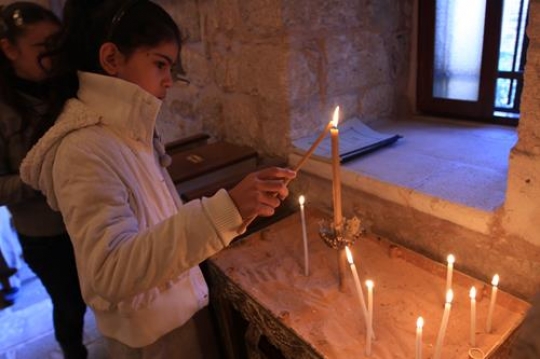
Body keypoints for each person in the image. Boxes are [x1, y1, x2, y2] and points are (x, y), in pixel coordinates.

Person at [19, 0, 296, 357]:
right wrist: (223, 211)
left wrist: (239, 211)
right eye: (160, 64)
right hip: (152, 338)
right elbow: (111, 270)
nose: (169, 80)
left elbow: (159, 227)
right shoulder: (84, 149)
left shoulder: (129, 131)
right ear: (112, 59)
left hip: (180, 310)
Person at [0, 2, 88, 359]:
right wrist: (42, 176)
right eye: (43, 47)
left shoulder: (68, 85)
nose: (54, 56)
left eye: (58, 44)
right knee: (70, 304)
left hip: (87, 216)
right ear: (9, 49)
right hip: (46, 234)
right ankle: (73, 352)